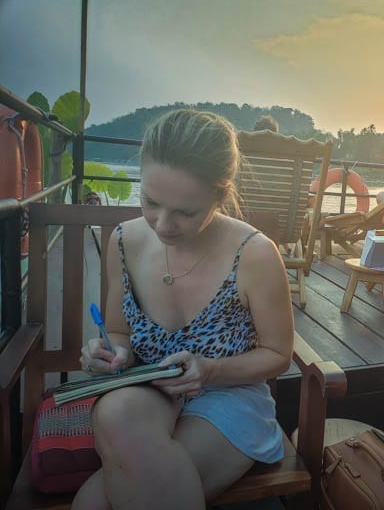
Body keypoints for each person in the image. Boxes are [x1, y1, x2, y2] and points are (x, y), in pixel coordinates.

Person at [74, 110, 293, 509]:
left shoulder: (255, 254)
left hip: (230, 393)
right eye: (150, 202)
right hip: (151, 385)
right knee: (113, 411)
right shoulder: (124, 241)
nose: (162, 224)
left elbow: (278, 355)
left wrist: (211, 369)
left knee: (94, 504)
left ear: (220, 196)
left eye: (186, 212)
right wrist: (112, 352)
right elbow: (120, 332)